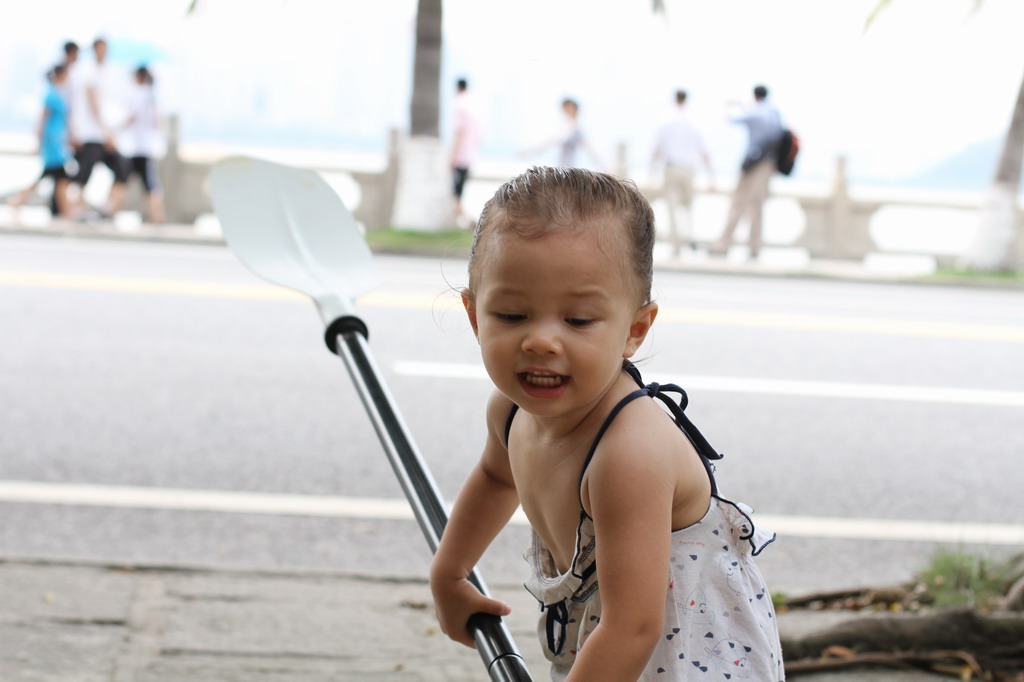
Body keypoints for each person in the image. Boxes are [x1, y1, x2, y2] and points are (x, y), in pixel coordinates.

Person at [429, 166, 784, 680]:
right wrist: (450, 573)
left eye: (577, 321)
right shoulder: (509, 412)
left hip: (685, 662)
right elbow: (495, 477)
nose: (542, 341)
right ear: (474, 315)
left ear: (634, 330)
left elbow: (632, 627)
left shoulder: (628, 452)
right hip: (600, 651)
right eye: (511, 315)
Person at [710, 84, 783, 259]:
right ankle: (755, 246)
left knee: (738, 203)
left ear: (755, 96)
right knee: (757, 206)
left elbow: (731, 119)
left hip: (754, 165)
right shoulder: (774, 114)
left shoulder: (756, 113)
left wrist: (731, 105)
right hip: (769, 166)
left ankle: (724, 243)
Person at [68, 37, 129, 219]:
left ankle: (107, 208)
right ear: (94, 50)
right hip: (90, 134)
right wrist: (105, 131)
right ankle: (74, 209)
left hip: (104, 134)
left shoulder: (110, 73)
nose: (103, 52)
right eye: (100, 49)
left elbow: (110, 105)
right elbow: (91, 105)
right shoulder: (88, 71)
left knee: (122, 168)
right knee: (84, 173)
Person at [650, 90, 715, 256]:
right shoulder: (694, 121)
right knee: (688, 206)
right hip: (689, 168)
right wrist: (711, 176)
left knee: (672, 206)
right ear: (686, 100)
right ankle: (689, 236)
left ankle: (676, 244)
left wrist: (652, 172)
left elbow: (657, 150)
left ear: (674, 99)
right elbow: (704, 151)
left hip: (671, 167)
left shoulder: (665, 120)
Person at [6, 64, 74, 219]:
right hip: (51, 143)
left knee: (54, 177)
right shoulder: (51, 95)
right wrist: (38, 141)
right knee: (58, 176)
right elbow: (42, 119)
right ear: (59, 75)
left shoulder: (58, 93)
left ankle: (18, 201)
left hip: (57, 142)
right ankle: (66, 212)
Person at [121, 65, 165, 223]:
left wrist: (118, 130)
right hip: (147, 146)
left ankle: (157, 216)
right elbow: (158, 123)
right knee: (140, 182)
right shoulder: (152, 97)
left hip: (137, 147)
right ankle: (156, 215)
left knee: (138, 182)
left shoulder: (139, 95)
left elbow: (131, 117)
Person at [522, 98, 604, 169]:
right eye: (565, 108)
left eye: (568, 108)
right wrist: (528, 152)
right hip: (562, 168)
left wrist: (601, 165)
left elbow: (588, 148)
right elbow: (549, 142)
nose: (566, 110)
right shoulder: (566, 127)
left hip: (571, 169)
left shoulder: (577, 128)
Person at [449, 78, 482, 228]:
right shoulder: (474, 105)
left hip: (460, 157)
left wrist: (452, 156)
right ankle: (468, 222)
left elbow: (459, 132)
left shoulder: (459, 105)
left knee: (455, 195)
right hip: (470, 156)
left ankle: (470, 223)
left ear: (457, 88)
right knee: (458, 193)